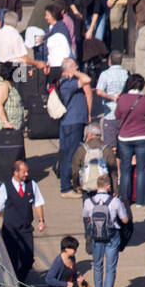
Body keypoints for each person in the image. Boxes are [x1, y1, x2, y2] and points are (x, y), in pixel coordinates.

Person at [0, 159, 46, 282]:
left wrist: (41, 220)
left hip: (26, 230)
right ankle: (14, 283)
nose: (27, 174)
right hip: (10, 231)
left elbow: (38, 203)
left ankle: (19, 281)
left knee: (28, 259)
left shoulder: (32, 185)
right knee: (12, 260)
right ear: (15, 173)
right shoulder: (6, 187)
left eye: (27, 171)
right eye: (24, 172)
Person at [82, 173, 128, 287]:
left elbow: (87, 217)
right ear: (108, 186)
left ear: (97, 186)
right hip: (112, 235)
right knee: (110, 268)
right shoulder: (115, 201)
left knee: (97, 266)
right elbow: (125, 219)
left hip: (96, 237)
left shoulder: (88, 201)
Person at [113, 73, 145, 208]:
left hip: (125, 137)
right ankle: (141, 201)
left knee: (125, 169)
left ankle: (125, 200)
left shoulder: (122, 99)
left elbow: (117, 115)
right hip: (142, 137)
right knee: (142, 169)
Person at [57, 58, 94, 198]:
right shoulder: (68, 83)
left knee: (68, 154)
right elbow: (87, 79)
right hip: (72, 123)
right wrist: (76, 73)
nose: (77, 67)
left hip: (72, 122)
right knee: (70, 155)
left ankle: (70, 185)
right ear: (68, 69)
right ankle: (66, 188)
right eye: (74, 65)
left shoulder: (68, 82)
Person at [0, 63, 26, 188]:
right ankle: (8, 179)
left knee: (8, 156)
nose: (19, 75)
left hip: (12, 129)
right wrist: (5, 122)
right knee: (7, 156)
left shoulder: (7, 84)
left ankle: (13, 178)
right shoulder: (3, 86)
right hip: (5, 129)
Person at [95, 50, 129, 148]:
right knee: (124, 145)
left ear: (109, 61)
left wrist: (112, 97)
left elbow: (99, 91)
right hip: (124, 114)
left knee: (110, 147)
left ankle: (113, 163)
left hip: (110, 115)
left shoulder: (105, 74)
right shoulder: (126, 73)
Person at [71, 121, 117, 194]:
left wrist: (76, 184)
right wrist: (115, 190)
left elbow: (76, 169)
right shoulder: (107, 149)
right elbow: (113, 172)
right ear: (100, 135)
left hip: (87, 186)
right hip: (104, 187)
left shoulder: (82, 149)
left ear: (89, 134)